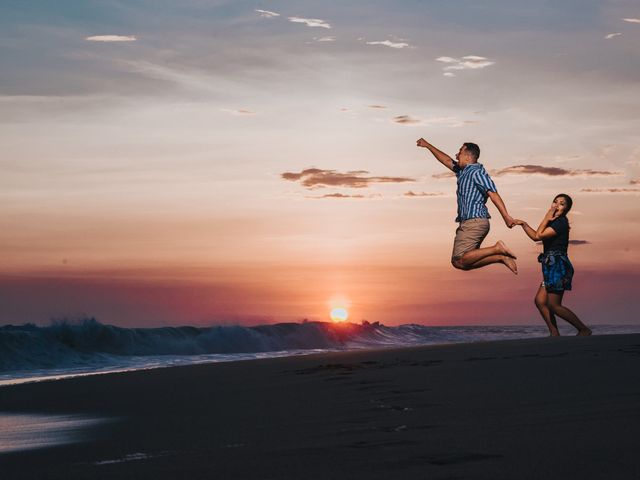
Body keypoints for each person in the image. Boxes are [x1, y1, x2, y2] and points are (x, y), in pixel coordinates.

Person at [416, 138, 518, 274]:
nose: (456, 155)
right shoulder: (462, 171)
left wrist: (506, 216)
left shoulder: (476, 172)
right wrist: (428, 145)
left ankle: (497, 249)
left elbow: (493, 193)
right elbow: (446, 160)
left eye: (460, 152)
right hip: (470, 222)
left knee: (458, 259)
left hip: (474, 221)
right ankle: (499, 257)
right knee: (462, 264)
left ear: (468, 155)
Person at [513, 194, 592, 336]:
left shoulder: (560, 223)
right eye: (555, 202)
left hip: (558, 267)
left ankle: (583, 329)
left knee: (554, 305)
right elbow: (535, 236)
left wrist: (546, 218)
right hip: (550, 266)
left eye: (561, 204)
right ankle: (554, 332)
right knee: (540, 301)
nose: (556, 205)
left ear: (566, 209)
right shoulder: (553, 222)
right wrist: (524, 224)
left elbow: (538, 236)